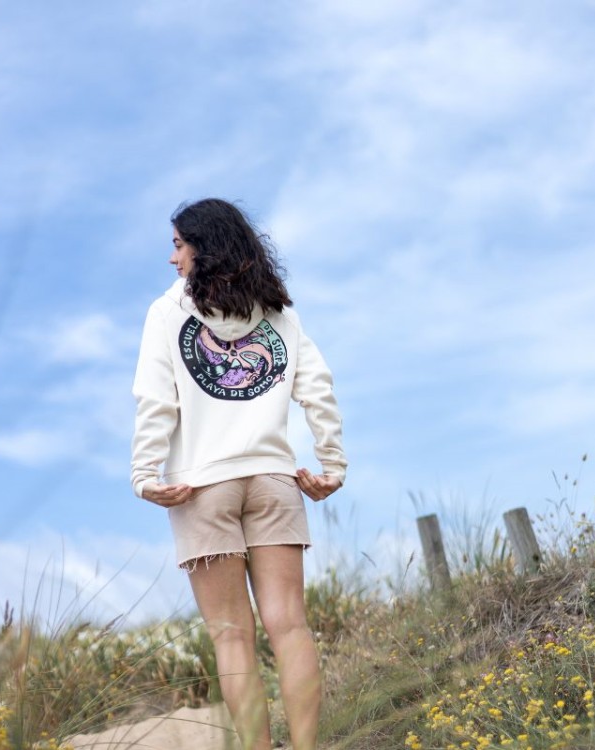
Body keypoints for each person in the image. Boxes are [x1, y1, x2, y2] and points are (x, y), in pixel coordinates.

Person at [131, 198, 347, 750]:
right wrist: (332, 463)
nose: (172, 258)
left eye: (178, 244)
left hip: (201, 487)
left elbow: (156, 399)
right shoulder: (278, 311)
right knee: (290, 626)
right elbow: (318, 388)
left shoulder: (167, 312)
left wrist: (145, 472)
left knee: (231, 637)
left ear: (203, 247)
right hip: (274, 480)